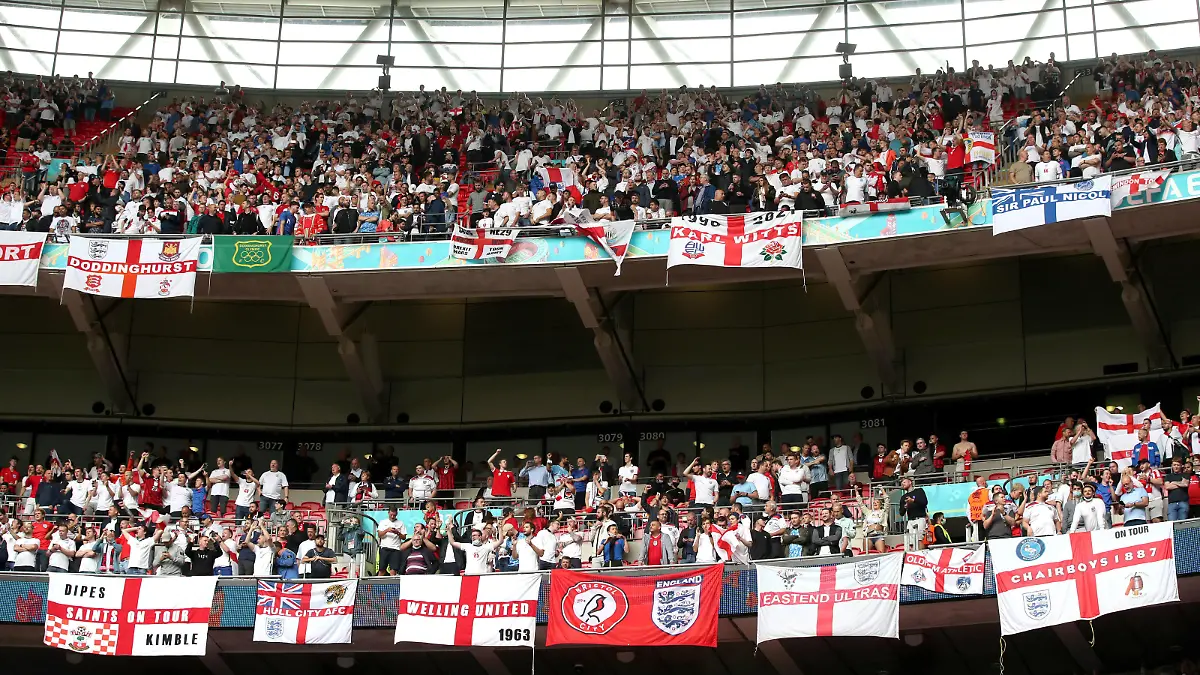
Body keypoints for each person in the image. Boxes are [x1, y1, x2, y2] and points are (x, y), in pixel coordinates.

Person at [898, 476, 928, 551]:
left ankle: (921, 554)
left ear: (910, 482)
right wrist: (905, 506)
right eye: (901, 483)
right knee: (911, 541)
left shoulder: (919, 491)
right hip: (910, 520)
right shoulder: (903, 497)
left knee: (919, 539)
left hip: (920, 518)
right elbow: (901, 513)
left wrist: (913, 500)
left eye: (904, 482)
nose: (902, 484)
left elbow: (924, 502)